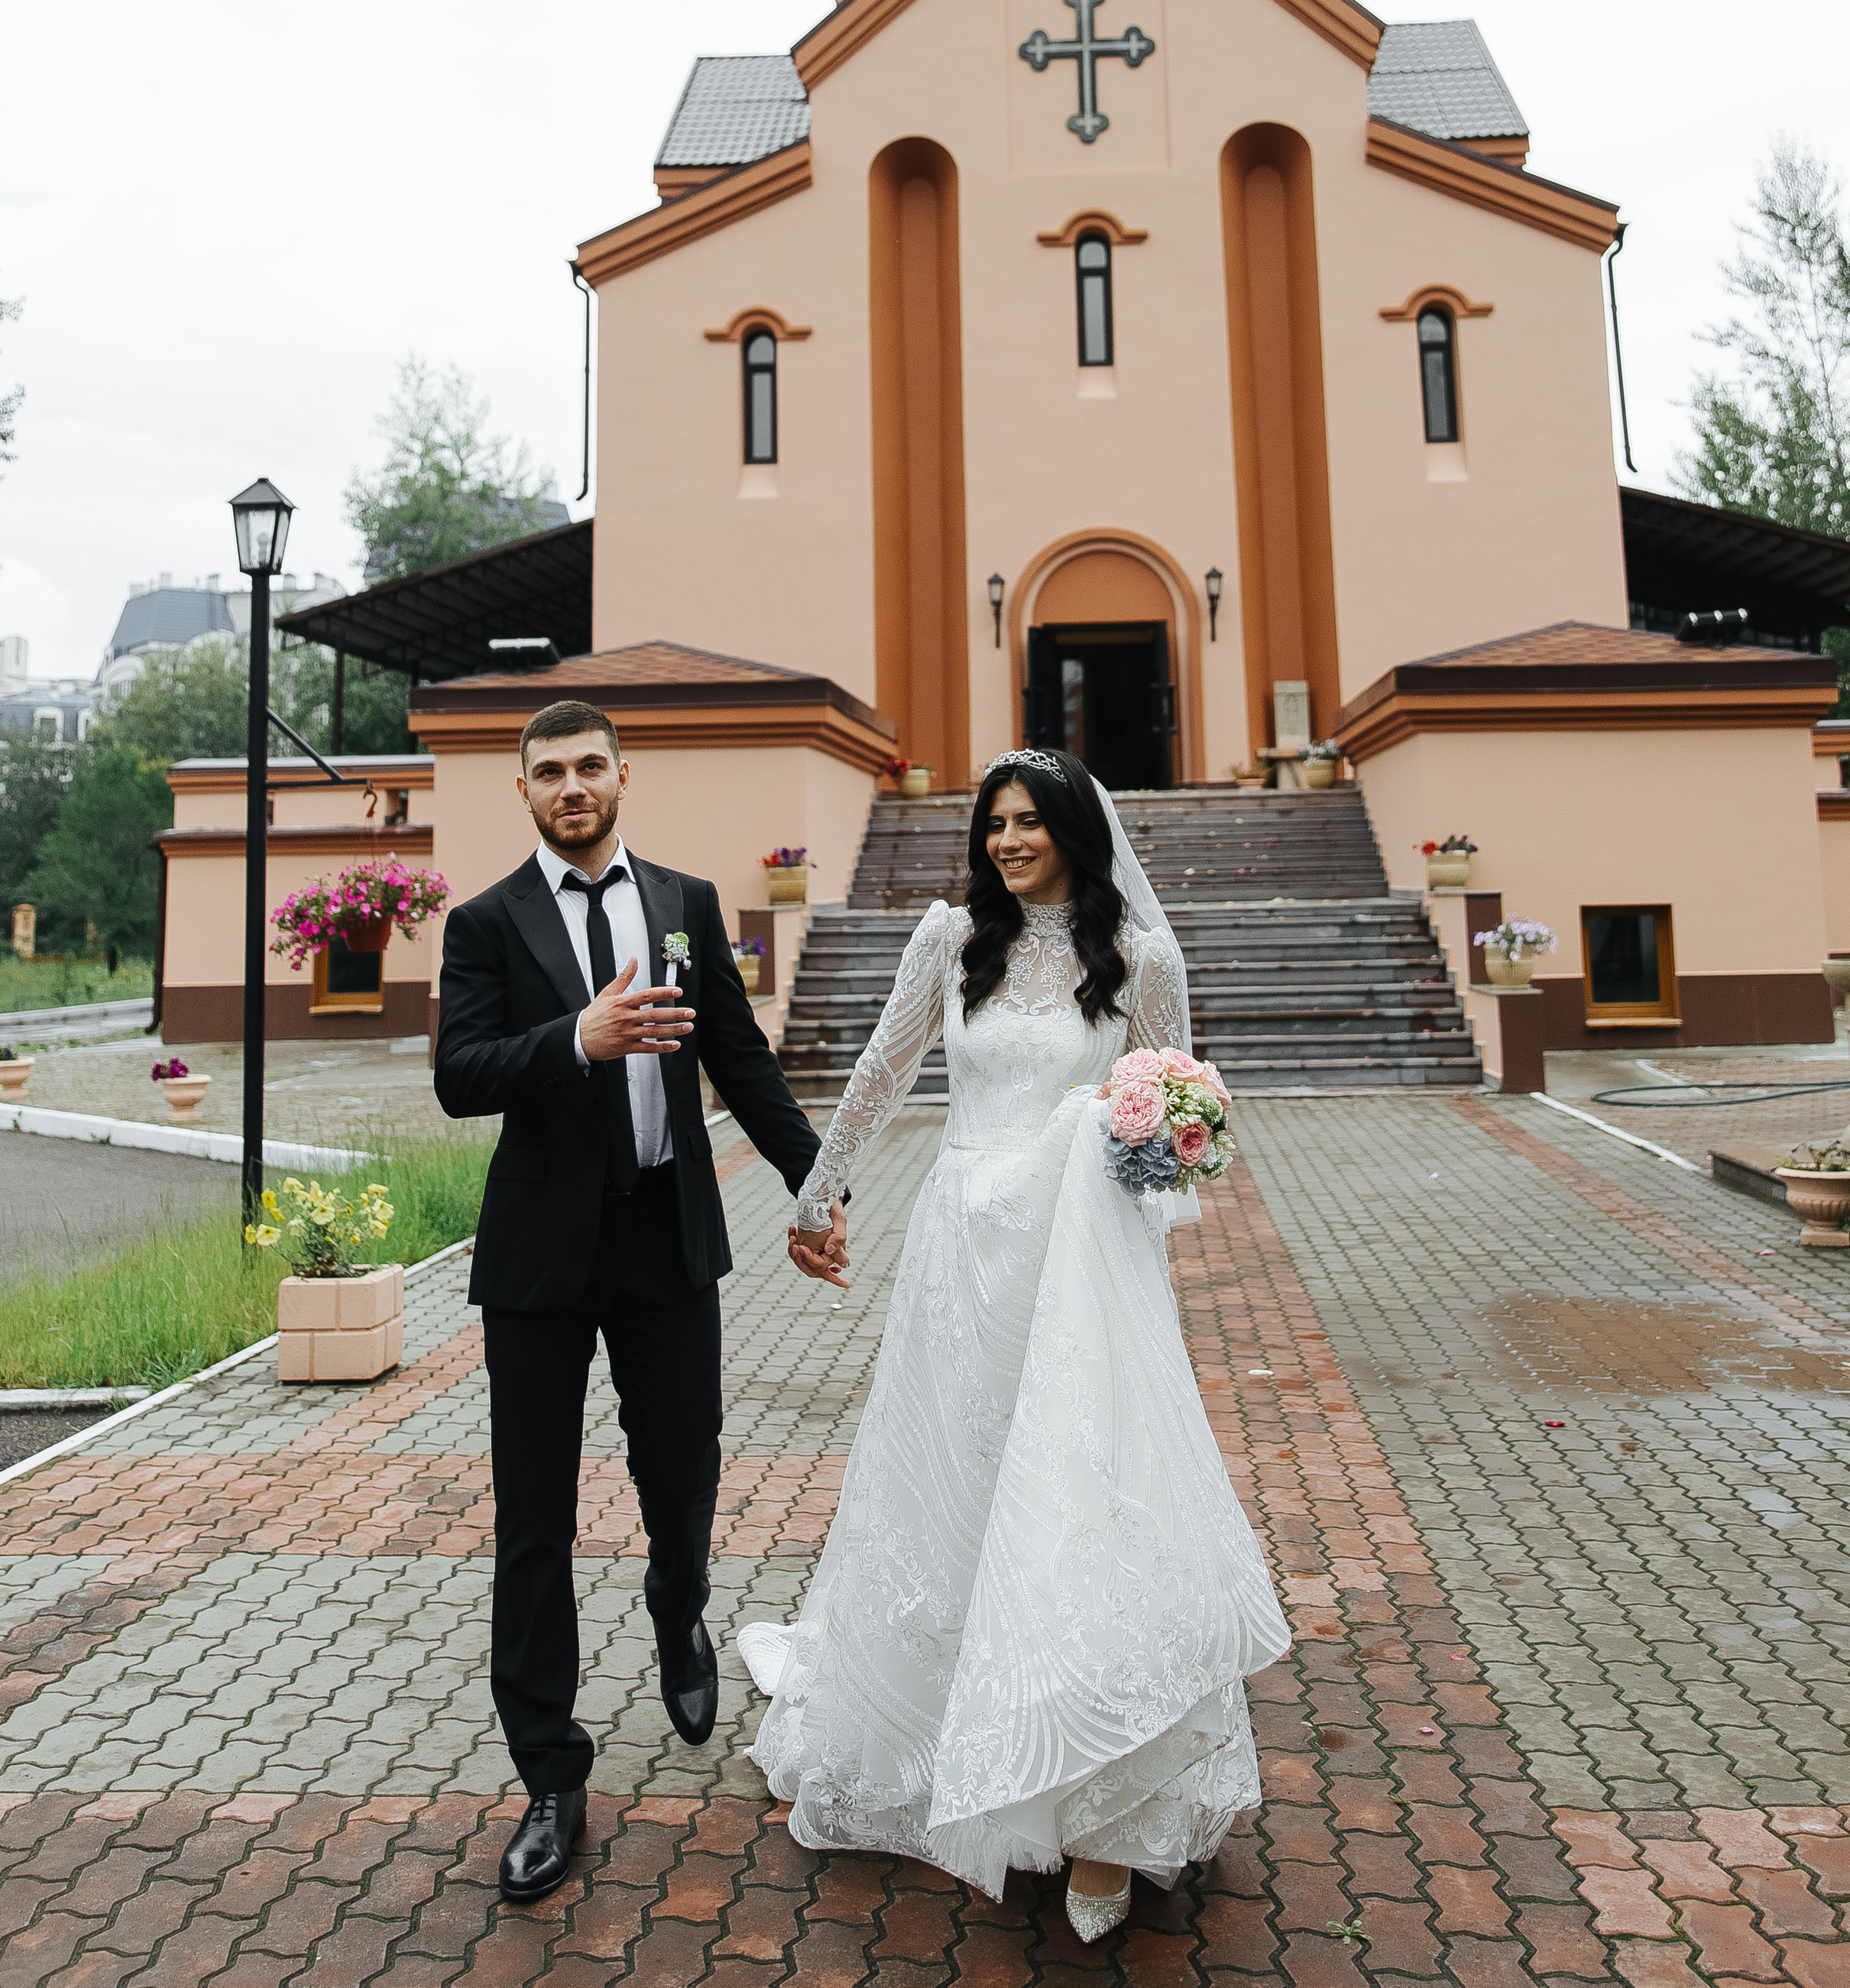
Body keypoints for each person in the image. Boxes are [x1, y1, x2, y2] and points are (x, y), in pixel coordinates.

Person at [737, 749, 1288, 1941]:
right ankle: (943, 1738)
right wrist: (816, 1197)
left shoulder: (1142, 959)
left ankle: (1094, 1800)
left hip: (1071, 1267)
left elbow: (1178, 1121)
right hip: (958, 1257)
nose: (1007, 841)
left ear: (1077, 831)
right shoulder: (950, 941)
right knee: (954, 1486)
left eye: (1030, 822)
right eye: (994, 824)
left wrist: (1132, 1200)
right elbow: (882, 1074)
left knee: (1072, 1496)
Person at [434, 697, 821, 1903]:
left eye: (588, 765)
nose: (571, 786)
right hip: (541, 1263)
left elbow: (740, 1056)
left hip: (666, 1238)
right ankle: (551, 1775)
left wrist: (819, 1182)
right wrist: (577, 1039)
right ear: (525, 791)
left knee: (685, 1470)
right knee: (535, 1520)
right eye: (547, 770)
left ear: (622, 774)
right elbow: (458, 1075)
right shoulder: (486, 923)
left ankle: (679, 1603)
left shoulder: (687, 904)